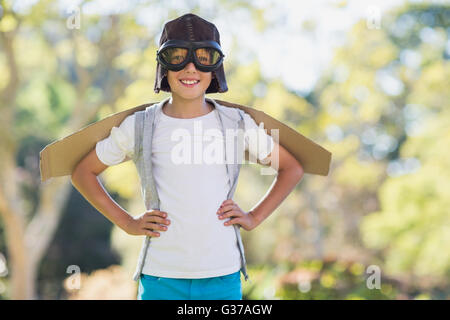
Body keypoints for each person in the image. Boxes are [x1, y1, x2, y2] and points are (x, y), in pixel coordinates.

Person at [70, 13, 304, 300]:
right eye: (177, 55)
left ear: (216, 66)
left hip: (222, 275)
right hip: (160, 276)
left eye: (204, 57)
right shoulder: (140, 126)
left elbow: (291, 167)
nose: (190, 68)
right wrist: (127, 222)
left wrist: (254, 216)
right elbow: (83, 171)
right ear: (163, 66)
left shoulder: (237, 123)